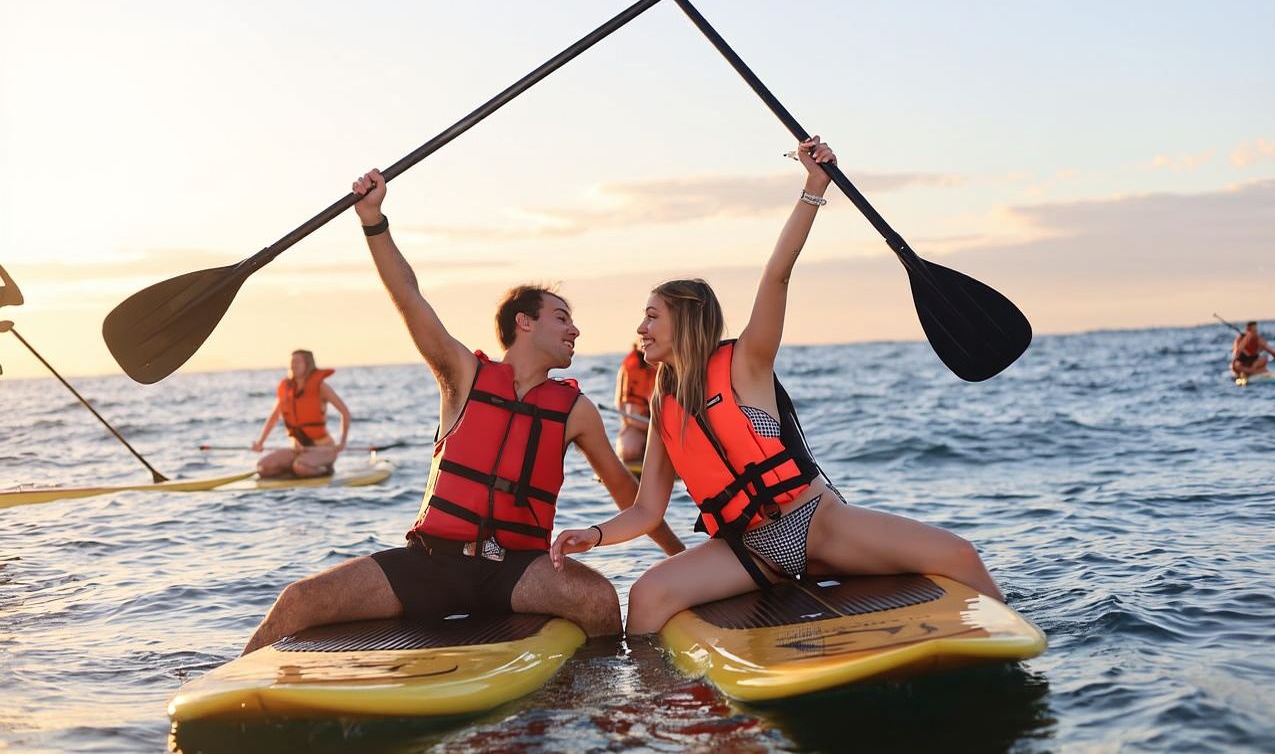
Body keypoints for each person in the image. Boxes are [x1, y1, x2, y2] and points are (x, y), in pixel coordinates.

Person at [551, 138, 1005, 635]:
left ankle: (1005, 640)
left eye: (652, 316)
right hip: (747, 549)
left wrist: (813, 186)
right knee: (647, 594)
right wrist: (591, 536)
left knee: (958, 554)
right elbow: (646, 509)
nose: (641, 329)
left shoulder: (747, 360)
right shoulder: (665, 399)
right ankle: (662, 700)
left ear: (684, 321)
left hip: (816, 525)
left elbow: (778, 274)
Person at [240, 169, 684, 654]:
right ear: (524, 322)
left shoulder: (575, 409)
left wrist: (679, 559)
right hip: (433, 562)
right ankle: (224, 694)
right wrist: (373, 221)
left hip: (519, 568)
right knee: (297, 601)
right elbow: (409, 298)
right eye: (562, 318)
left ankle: (588, 702)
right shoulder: (463, 374)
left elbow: (627, 492)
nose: (576, 330)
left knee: (599, 599)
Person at [251, 349, 351, 478]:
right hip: (298, 450)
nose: (293, 365)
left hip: (323, 449)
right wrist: (260, 442)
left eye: (298, 362)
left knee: (301, 467)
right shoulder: (287, 389)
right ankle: (297, 470)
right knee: (263, 467)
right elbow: (274, 417)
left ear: (307, 364)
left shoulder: (320, 387)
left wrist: (342, 442)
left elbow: (345, 412)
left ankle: (324, 470)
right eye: (292, 362)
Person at [614, 339, 655, 464]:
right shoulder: (635, 365)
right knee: (630, 449)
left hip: (670, 428)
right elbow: (632, 416)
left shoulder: (680, 361)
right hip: (642, 425)